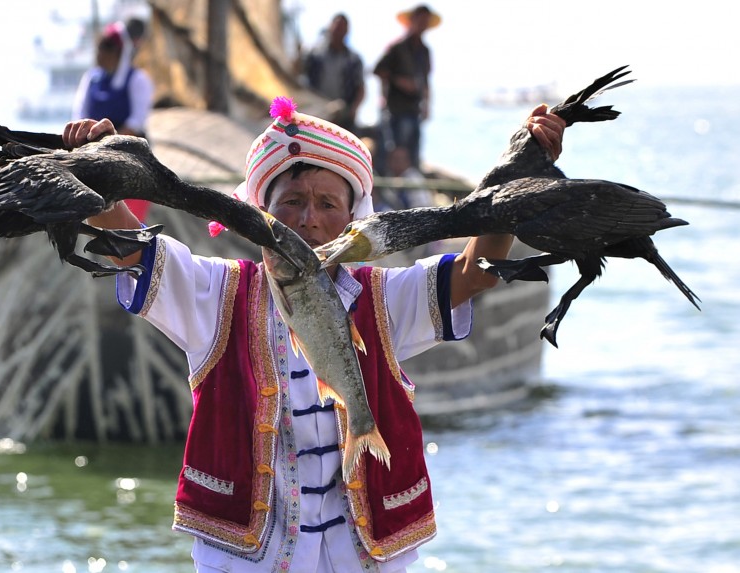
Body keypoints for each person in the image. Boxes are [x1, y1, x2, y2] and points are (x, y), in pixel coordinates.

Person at [63, 98, 565, 571]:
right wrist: (98, 171)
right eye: (292, 202)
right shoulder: (217, 294)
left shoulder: (383, 298)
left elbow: (476, 272)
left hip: (365, 557)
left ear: (352, 220)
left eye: (328, 204)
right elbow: (135, 251)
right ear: (262, 216)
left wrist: (518, 175)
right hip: (244, 559)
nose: (310, 220)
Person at [72, 21, 155, 221]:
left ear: (120, 52)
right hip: (94, 159)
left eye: (105, 48)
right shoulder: (91, 79)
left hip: (131, 159)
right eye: (99, 47)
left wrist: (108, 143)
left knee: (130, 224)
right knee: (99, 222)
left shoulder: (138, 80)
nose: (99, 53)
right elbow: (78, 115)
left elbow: (136, 122)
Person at [373, 4, 440, 171]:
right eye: (420, 19)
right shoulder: (397, 47)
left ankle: (409, 193)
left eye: (425, 20)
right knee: (394, 154)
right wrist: (400, 81)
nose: (422, 24)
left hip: (414, 110)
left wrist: (427, 105)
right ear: (412, 21)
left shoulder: (425, 51)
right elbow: (378, 70)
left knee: (413, 155)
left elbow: (426, 81)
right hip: (395, 110)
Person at [300, 13, 366, 133]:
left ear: (347, 31)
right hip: (315, 112)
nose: (338, 31)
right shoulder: (314, 54)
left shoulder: (353, 60)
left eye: (342, 28)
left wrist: (353, 110)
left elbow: (360, 88)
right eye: (336, 27)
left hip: (342, 118)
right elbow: (298, 73)